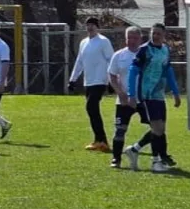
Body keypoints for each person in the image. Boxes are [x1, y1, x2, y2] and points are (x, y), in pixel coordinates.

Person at [125, 23, 182, 172]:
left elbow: (168, 71)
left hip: (159, 94)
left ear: (164, 35)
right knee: (157, 129)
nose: (155, 36)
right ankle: (156, 162)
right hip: (147, 94)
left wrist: (176, 92)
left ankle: (134, 149)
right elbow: (133, 71)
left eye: (158, 34)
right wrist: (131, 95)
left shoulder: (165, 50)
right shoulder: (144, 50)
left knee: (160, 129)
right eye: (153, 33)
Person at [68, 17, 115, 152]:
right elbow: (79, 62)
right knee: (92, 110)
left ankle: (103, 141)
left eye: (93, 25)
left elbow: (111, 60)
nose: (90, 27)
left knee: (91, 107)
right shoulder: (83, 42)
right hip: (88, 81)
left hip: (100, 80)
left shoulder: (103, 41)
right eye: (88, 25)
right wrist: (72, 79)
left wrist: (111, 81)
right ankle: (98, 140)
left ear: (97, 27)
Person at [107, 26, 143, 168]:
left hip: (143, 99)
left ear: (140, 39)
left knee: (157, 128)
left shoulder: (146, 54)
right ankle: (116, 159)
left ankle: (147, 153)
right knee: (120, 130)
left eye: (135, 38)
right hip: (124, 101)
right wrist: (120, 93)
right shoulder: (119, 55)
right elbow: (112, 76)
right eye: (129, 38)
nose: (132, 41)